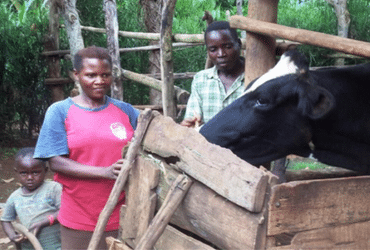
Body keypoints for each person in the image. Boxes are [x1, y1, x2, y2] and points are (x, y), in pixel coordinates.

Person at [33, 46, 140, 249]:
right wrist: (104, 172)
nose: (99, 81)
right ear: (76, 75)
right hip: (80, 216)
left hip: (124, 213)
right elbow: (55, 161)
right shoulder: (60, 111)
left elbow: (153, 134)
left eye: (105, 75)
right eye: (91, 75)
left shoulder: (125, 111)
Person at [181, 21, 245, 127]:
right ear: (208, 51)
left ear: (239, 44)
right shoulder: (201, 80)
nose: (221, 54)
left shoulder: (257, 78)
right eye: (213, 49)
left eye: (228, 47)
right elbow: (192, 122)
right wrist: (189, 126)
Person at [1, 147, 62, 250]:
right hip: (29, 246)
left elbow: (65, 211)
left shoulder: (53, 188)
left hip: (56, 246)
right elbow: (5, 220)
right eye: (24, 173)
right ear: (17, 172)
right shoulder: (15, 197)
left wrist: (43, 223)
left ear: (45, 170)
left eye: (35, 172)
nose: (30, 177)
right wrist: (12, 236)